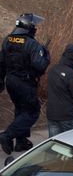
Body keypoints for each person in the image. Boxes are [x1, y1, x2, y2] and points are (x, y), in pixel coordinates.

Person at [0, 13, 50, 155]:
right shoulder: (32, 43)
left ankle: (21, 142)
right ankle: (7, 135)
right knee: (32, 112)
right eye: (34, 26)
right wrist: (46, 54)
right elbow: (40, 66)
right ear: (28, 27)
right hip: (25, 82)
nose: (35, 28)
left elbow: (1, 63)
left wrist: (0, 81)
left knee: (21, 110)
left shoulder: (7, 40)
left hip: (10, 81)